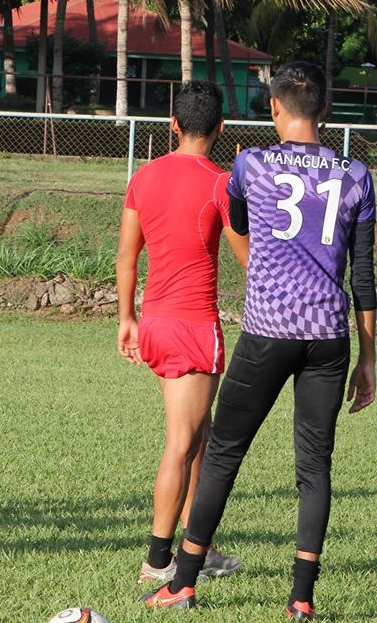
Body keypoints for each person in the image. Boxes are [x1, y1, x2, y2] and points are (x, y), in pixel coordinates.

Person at [142, 62, 375, 621]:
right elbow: (364, 277)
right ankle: (301, 597)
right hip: (327, 335)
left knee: (222, 453)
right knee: (315, 467)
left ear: (274, 108)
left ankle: (184, 583)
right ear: (323, 109)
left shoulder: (250, 163)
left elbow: (240, 223)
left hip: (269, 329)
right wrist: (370, 359)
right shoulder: (358, 176)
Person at [117, 80, 248, 586]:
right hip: (194, 327)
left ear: (172, 124)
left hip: (153, 323)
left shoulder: (143, 176)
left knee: (201, 436)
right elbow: (247, 258)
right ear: (219, 128)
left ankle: (202, 546)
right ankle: (157, 560)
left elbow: (128, 255)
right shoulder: (220, 182)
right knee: (182, 441)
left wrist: (126, 319)